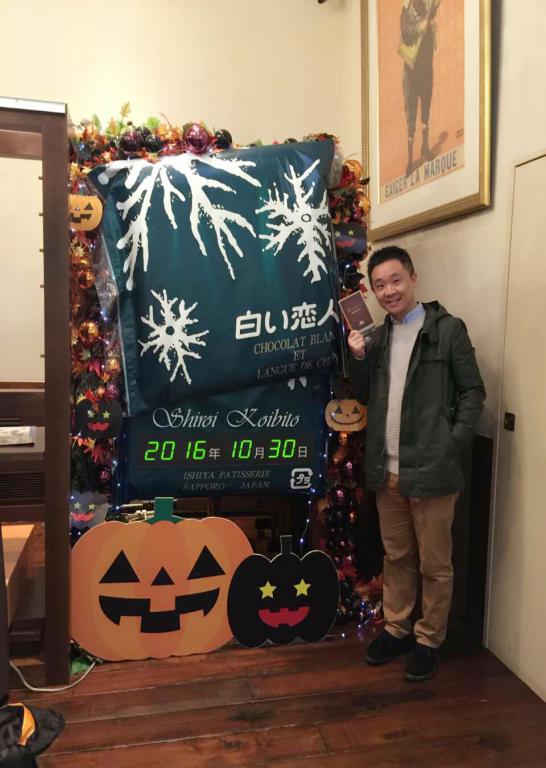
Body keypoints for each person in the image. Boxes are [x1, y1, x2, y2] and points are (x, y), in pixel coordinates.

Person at [348, 245, 485, 682]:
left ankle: (429, 639)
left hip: (433, 470)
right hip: (386, 469)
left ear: (413, 279)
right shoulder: (378, 337)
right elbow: (364, 395)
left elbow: (473, 392)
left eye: (395, 280)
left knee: (435, 564)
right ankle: (396, 628)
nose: (389, 291)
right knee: (398, 556)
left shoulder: (447, 330)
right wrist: (358, 357)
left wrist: (452, 443)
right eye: (379, 285)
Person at [399, 0, 441, 176]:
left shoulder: (426, 3)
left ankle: (425, 146)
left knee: (426, 108)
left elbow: (430, 16)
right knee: (411, 115)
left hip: (426, 67)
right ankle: (410, 160)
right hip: (412, 71)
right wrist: (419, 27)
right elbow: (405, 31)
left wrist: (431, 24)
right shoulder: (406, 8)